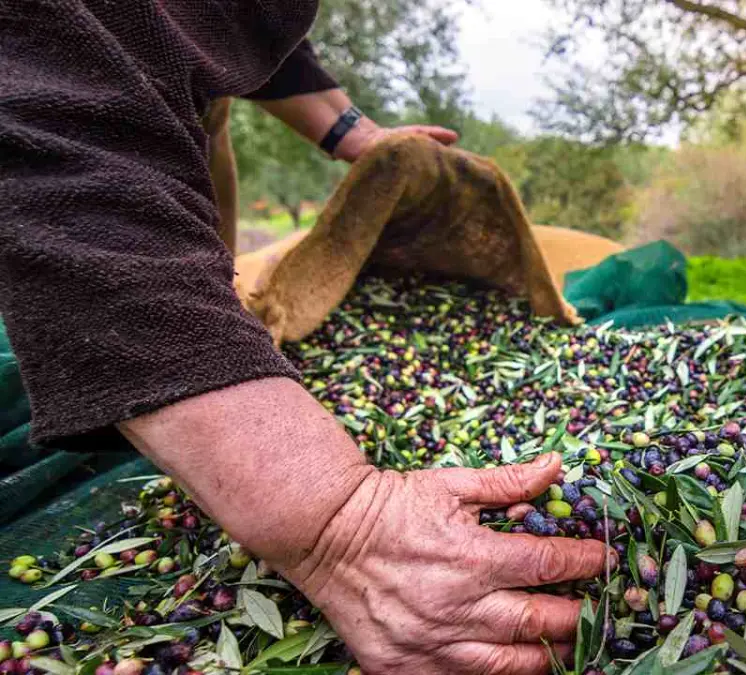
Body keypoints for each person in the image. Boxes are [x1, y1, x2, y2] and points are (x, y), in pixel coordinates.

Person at [0, 2, 610, 674]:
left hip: (159, 120)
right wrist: (339, 523)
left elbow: (228, 16)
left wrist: (353, 132)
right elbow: (61, 153)